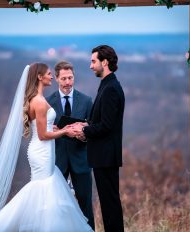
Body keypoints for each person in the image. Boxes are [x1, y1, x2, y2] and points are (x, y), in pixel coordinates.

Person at [0, 63, 93, 232]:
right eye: (50, 74)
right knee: (43, 193)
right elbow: (42, 135)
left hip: (54, 154)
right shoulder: (41, 102)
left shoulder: (45, 100)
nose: (50, 77)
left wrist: (60, 129)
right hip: (44, 152)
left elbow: (44, 128)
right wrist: (64, 132)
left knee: (45, 194)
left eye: (70, 77)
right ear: (41, 77)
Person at [74, 45, 125, 232]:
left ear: (105, 62)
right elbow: (100, 120)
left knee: (110, 204)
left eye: (93, 61)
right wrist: (82, 126)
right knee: (107, 203)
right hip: (102, 156)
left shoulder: (111, 88)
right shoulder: (106, 84)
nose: (90, 66)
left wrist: (85, 130)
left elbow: (107, 125)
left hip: (106, 156)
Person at [46, 60, 95, 230]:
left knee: (85, 203)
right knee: (56, 205)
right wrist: (50, 128)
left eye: (71, 78)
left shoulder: (87, 101)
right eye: (64, 79)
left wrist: (84, 132)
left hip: (81, 159)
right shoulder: (47, 102)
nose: (68, 82)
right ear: (57, 79)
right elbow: (42, 131)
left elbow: (94, 129)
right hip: (57, 160)